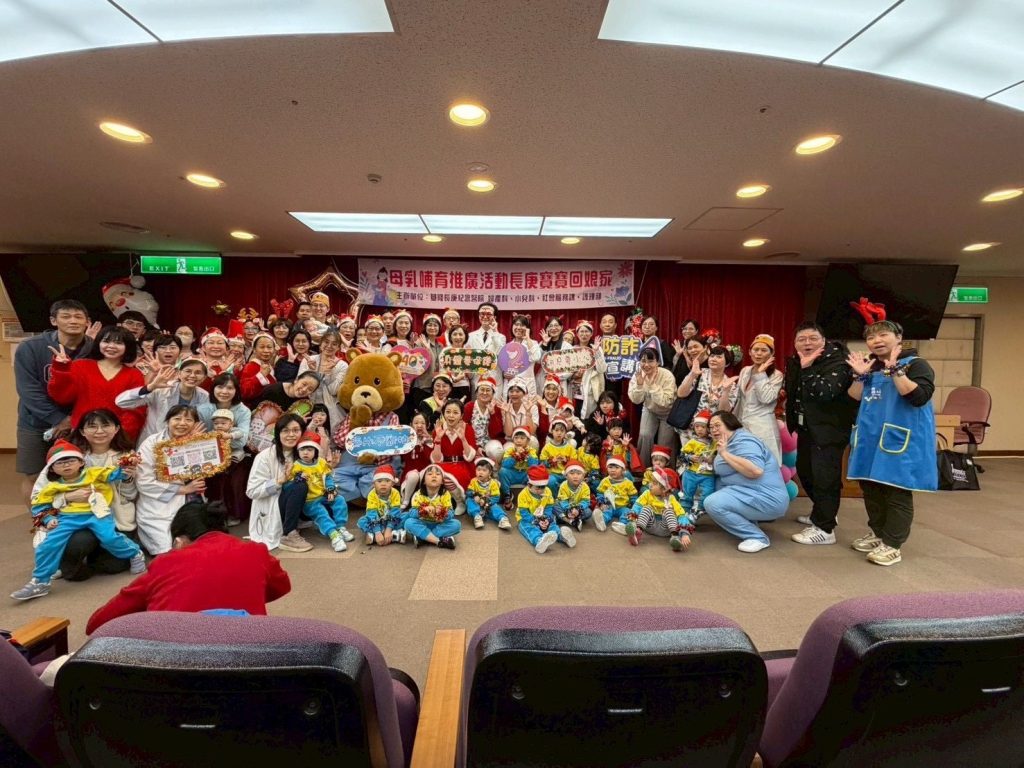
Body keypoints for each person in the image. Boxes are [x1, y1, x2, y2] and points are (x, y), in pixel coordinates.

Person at [85, 502, 291, 634]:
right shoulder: (256, 551)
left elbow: (98, 623)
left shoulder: (166, 563)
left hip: (176, 664)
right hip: (250, 658)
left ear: (179, 540)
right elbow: (282, 586)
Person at [844, 320, 937, 566]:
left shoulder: (917, 364)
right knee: (870, 487)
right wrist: (859, 376)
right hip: (870, 437)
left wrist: (896, 370)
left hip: (900, 439)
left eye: (883, 335)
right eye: (871, 338)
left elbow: (918, 397)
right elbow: (853, 398)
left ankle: (893, 544)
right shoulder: (871, 366)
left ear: (899, 337)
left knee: (896, 490)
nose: (877, 341)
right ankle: (878, 533)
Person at [11, 440, 146, 601]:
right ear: (51, 468)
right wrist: (48, 519)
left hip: (97, 514)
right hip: (67, 518)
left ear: (81, 462)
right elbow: (39, 507)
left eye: (71, 461)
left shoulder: (93, 473)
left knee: (109, 537)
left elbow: (115, 473)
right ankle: (40, 581)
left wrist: (128, 463)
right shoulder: (51, 487)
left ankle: (135, 553)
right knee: (48, 545)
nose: (66, 465)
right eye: (60, 463)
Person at [15, 299, 95, 503]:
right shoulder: (31, 347)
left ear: (87, 321)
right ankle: (39, 518)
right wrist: (58, 419)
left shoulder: (95, 348)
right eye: (66, 316)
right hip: (35, 422)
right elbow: (28, 390)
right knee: (34, 476)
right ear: (53, 321)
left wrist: (73, 419)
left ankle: (70, 517)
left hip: (79, 423)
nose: (73, 321)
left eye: (78, 317)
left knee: (78, 474)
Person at [784, 322, 857, 544]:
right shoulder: (797, 360)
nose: (807, 343)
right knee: (805, 471)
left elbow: (825, 392)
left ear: (823, 340)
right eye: (801, 339)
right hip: (806, 428)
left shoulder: (838, 362)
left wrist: (807, 369)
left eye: (812, 338)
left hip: (829, 430)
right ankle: (823, 512)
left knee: (825, 477)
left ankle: (825, 529)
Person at [51, 409, 139, 580]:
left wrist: (128, 479)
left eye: (105, 425)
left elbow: (130, 495)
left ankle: (95, 551)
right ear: (82, 431)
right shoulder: (67, 455)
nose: (99, 431)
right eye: (92, 426)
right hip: (80, 515)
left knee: (113, 566)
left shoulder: (127, 456)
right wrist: (67, 497)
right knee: (79, 545)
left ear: (116, 428)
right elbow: (43, 491)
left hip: (115, 516)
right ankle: (66, 561)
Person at [703, 411, 789, 553]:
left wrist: (724, 454)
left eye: (717, 425)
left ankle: (757, 537)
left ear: (730, 424)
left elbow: (755, 471)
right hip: (749, 491)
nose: (714, 430)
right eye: (711, 427)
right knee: (714, 485)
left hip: (766, 497)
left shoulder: (745, 441)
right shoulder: (727, 441)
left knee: (712, 503)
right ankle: (749, 522)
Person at [46, 324, 146, 445]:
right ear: (98, 343)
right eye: (106, 341)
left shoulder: (134, 374)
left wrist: (120, 435)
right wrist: (61, 368)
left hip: (117, 439)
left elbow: (136, 410)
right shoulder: (80, 366)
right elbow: (62, 397)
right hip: (82, 434)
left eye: (118, 343)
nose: (111, 346)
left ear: (128, 347)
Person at [135, 405, 209, 555]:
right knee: (166, 549)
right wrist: (183, 489)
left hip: (191, 500)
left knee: (198, 549)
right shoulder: (151, 443)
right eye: (177, 418)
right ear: (167, 421)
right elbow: (144, 482)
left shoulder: (198, 441)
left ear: (195, 424)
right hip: (158, 504)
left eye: (188, 420)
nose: (182, 423)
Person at [247, 413, 311, 552]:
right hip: (274, 505)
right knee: (299, 486)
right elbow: (252, 491)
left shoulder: (304, 453)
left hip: (301, 503)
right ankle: (289, 534)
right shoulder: (264, 457)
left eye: (296, 430)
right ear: (278, 433)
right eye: (285, 431)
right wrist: (278, 482)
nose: (291, 435)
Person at [115, 357, 211, 446]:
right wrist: (151, 387)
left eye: (198, 372)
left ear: (204, 377)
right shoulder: (162, 388)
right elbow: (121, 402)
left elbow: (202, 423)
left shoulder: (204, 396)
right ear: (179, 373)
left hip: (185, 444)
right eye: (188, 371)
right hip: (153, 442)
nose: (192, 375)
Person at [286, 432, 349, 552]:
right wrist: (298, 477)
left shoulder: (321, 462)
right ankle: (333, 535)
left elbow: (328, 477)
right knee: (321, 513)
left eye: (309, 450)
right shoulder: (296, 466)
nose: (305, 453)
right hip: (310, 500)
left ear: (315, 451)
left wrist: (330, 490)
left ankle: (340, 527)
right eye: (302, 450)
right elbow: (289, 483)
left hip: (323, 495)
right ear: (298, 451)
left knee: (340, 500)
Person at [730, 334, 784, 463]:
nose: (759, 353)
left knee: (763, 465)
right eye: (755, 350)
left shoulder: (776, 375)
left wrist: (761, 374)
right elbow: (739, 399)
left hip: (762, 428)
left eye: (764, 350)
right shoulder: (745, 370)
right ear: (750, 352)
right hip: (741, 426)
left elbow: (766, 398)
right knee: (743, 464)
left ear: (772, 354)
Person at [628, 348, 678, 465]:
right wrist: (640, 385)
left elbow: (666, 402)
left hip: (668, 412)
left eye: (650, 361)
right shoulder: (638, 375)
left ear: (658, 362)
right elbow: (636, 400)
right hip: (650, 409)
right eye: (643, 361)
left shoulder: (667, 376)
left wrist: (653, 386)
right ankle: (641, 468)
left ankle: (667, 471)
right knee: (644, 435)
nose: (646, 365)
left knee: (664, 443)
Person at [624, 468, 693, 551]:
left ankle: (675, 537)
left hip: (666, 529)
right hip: (649, 526)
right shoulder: (647, 494)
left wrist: (684, 534)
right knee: (647, 508)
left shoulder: (671, 499)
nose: (650, 485)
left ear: (664, 489)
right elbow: (637, 505)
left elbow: (681, 515)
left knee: (669, 511)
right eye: (651, 481)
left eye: (654, 483)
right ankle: (638, 532)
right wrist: (632, 519)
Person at [516, 465, 576, 554]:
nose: (541, 490)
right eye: (537, 488)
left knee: (552, 524)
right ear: (529, 485)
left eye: (543, 487)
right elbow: (524, 513)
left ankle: (562, 536)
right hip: (527, 519)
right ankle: (539, 540)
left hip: (543, 517)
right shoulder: (523, 495)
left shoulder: (547, 491)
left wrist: (546, 518)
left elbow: (548, 507)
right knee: (529, 528)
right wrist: (536, 521)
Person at [298, 328, 349, 430]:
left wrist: (329, 373)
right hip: (307, 405)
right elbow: (299, 387)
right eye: (326, 342)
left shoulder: (343, 365)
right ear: (320, 344)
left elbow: (334, 391)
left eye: (334, 344)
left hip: (331, 410)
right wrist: (312, 371)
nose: (329, 346)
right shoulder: (309, 360)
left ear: (338, 347)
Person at [404, 464, 460, 548]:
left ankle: (423, 537)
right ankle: (438, 541)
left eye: (438, 474)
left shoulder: (445, 494)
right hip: (423, 523)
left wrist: (443, 512)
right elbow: (412, 513)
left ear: (442, 481)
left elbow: (451, 513)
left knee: (456, 524)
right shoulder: (418, 495)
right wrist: (423, 510)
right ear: (424, 481)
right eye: (430, 474)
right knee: (408, 523)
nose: (434, 476)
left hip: (439, 525)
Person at [679, 411, 716, 518]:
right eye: (697, 426)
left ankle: (699, 511)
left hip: (708, 474)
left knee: (708, 492)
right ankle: (683, 514)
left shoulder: (714, 442)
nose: (699, 429)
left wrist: (713, 458)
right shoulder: (692, 442)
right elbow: (682, 455)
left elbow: (719, 454)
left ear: (709, 428)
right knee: (687, 494)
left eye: (703, 427)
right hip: (691, 473)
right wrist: (690, 457)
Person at [358, 465, 405, 545]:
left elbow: (395, 512)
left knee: (406, 516)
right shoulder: (372, 494)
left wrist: (389, 528)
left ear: (393, 483)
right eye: (379, 481)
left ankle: (374, 536)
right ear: (374, 484)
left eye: (387, 481)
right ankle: (395, 535)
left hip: (392, 520)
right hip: (377, 521)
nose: (383, 484)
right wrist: (377, 531)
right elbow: (371, 513)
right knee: (362, 521)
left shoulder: (395, 493)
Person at [568, 320, 607, 418]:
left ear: (591, 334)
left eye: (587, 331)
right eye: (581, 331)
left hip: (589, 389)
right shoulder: (572, 349)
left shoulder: (596, 348)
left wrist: (596, 352)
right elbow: (566, 371)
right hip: (573, 390)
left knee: (588, 417)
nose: (584, 334)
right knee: (573, 416)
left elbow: (602, 369)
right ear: (577, 334)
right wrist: (574, 375)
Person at [463, 376, 504, 464]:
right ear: (476, 392)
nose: (485, 393)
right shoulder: (469, 407)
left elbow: (496, 433)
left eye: (488, 390)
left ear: (493, 394)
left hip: (490, 442)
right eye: (482, 390)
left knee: (497, 451)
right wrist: (476, 447)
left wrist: (492, 413)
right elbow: (464, 430)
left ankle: (495, 469)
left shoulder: (496, 408)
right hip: (471, 442)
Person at [466, 302, 505, 393]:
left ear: (495, 317)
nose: (485, 316)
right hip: (477, 379)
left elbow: (499, 353)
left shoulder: (501, 337)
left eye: (489, 314)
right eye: (482, 314)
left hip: (494, 379)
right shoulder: (470, 336)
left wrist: (495, 332)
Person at [502, 314, 543, 397]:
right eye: (516, 324)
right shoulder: (507, 345)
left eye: (522, 325)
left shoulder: (533, 343)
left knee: (527, 404)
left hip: (527, 385)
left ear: (528, 328)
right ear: (512, 327)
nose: (519, 327)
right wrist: (504, 374)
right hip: (511, 385)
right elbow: (504, 366)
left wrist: (527, 338)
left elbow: (536, 357)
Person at [411, 313, 445, 411]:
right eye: (429, 325)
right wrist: (427, 349)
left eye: (435, 325)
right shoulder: (419, 343)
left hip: (436, 388)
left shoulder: (440, 345)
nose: (432, 328)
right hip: (422, 386)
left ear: (439, 328)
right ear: (425, 327)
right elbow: (422, 366)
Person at [595, 457, 637, 532]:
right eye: (610, 467)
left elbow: (633, 496)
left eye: (617, 467)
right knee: (606, 511)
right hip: (609, 504)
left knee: (627, 512)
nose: (613, 470)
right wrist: (601, 502)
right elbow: (600, 493)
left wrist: (633, 506)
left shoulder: (628, 483)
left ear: (623, 470)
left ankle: (622, 525)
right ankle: (602, 521)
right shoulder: (605, 481)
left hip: (623, 506)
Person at [499, 426, 539, 503]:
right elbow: (505, 465)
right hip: (513, 474)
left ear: (528, 441)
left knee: (534, 472)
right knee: (502, 471)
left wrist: (527, 455)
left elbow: (534, 465)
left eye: (522, 438)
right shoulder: (510, 450)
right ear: (513, 440)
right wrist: (515, 457)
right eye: (516, 438)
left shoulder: (531, 451)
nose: (519, 440)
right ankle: (507, 494)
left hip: (524, 475)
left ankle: (530, 494)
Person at [466, 457, 506, 529]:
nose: (480, 472)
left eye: (484, 470)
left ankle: (502, 518)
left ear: (490, 473)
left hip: (488, 505)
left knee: (495, 507)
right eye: (478, 470)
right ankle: (477, 517)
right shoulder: (473, 481)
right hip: (476, 504)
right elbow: (468, 492)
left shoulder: (493, 483)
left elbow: (496, 497)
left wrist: (486, 501)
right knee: (469, 500)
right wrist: (474, 495)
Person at [554, 460, 592, 532]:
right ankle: (571, 521)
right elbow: (563, 500)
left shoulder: (585, 486)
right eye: (571, 473)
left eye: (579, 473)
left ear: (583, 476)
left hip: (578, 509)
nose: (575, 476)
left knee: (588, 512)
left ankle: (563, 519)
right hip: (566, 508)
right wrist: (569, 509)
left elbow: (586, 501)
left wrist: (578, 509)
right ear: (566, 475)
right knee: (555, 505)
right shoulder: (563, 485)